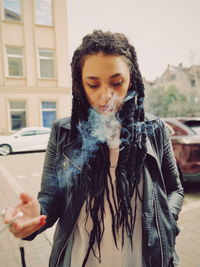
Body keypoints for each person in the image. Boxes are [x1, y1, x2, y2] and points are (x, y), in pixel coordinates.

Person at [2, 30, 184, 267]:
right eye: (93, 84)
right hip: (81, 259)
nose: (105, 96)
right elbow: (51, 197)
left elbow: (175, 189)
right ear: (80, 84)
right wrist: (35, 217)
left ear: (132, 80)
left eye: (116, 83)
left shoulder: (154, 129)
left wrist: (166, 222)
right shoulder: (64, 132)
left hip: (142, 259)